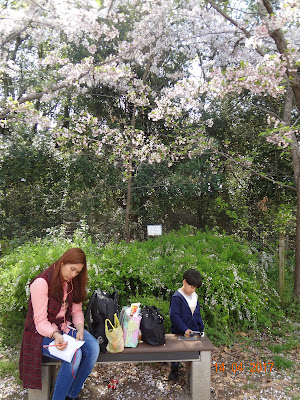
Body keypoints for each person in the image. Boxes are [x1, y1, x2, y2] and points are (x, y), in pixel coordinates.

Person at [19, 248, 99, 400]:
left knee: (93, 348)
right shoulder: (41, 283)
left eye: (77, 272)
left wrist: (80, 328)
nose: (73, 274)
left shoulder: (73, 282)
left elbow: (76, 311)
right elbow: (40, 321)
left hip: (64, 327)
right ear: (63, 262)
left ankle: (70, 395)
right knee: (74, 354)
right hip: (40, 333)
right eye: (72, 269)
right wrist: (55, 335)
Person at [168, 268, 204, 381]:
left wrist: (200, 327)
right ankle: (174, 370)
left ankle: (193, 371)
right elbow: (174, 316)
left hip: (193, 331)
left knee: (196, 351)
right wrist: (184, 329)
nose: (193, 290)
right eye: (191, 287)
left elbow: (197, 313)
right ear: (184, 282)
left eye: (195, 287)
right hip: (179, 331)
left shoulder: (195, 296)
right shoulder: (177, 297)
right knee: (177, 353)